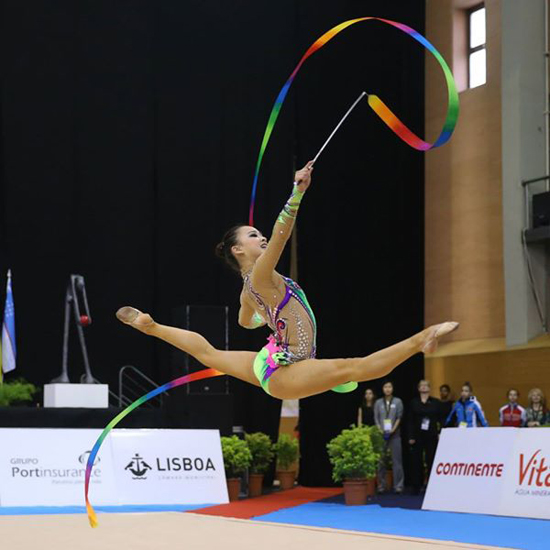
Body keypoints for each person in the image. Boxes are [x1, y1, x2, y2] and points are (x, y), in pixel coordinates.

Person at [117, 162, 459, 401]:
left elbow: (244, 321)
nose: (262, 237)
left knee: (210, 354)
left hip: (270, 359)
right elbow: (281, 238)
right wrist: (297, 193)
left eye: (260, 233)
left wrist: (263, 317)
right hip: (288, 368)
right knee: (354, 367)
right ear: (238, 250)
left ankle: (152, 327)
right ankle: (421, 340)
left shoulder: (247, 290)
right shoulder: (261, 275)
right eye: (253, 235)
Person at [408, 380, 441, 494]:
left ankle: (432, 485)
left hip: (431, 434)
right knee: (416, 460)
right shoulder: (414, 402)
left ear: (429, 388)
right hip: (417, 434)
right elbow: (410, 420)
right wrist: (411, 436)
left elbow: (439, 419)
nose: (424, 387)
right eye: (421, 385)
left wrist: (439, 432)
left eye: (426, 385)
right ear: (418, 388)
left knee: (430, 459)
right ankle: (417, 485)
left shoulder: (435, 402)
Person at [374, 380, 404, 493]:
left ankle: (398, 486)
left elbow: (399, 417)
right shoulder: (378, 403)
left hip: (394, 434)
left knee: (397, 461)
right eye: (385, 387)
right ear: (382, 389)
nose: (387, 389)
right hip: (381, 435)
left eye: (389, 387)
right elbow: (376, 418)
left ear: (392, 388)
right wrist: (380, 429)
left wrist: (392, 429)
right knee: (381, 461)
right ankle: (381, 486)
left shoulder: (398, 401)